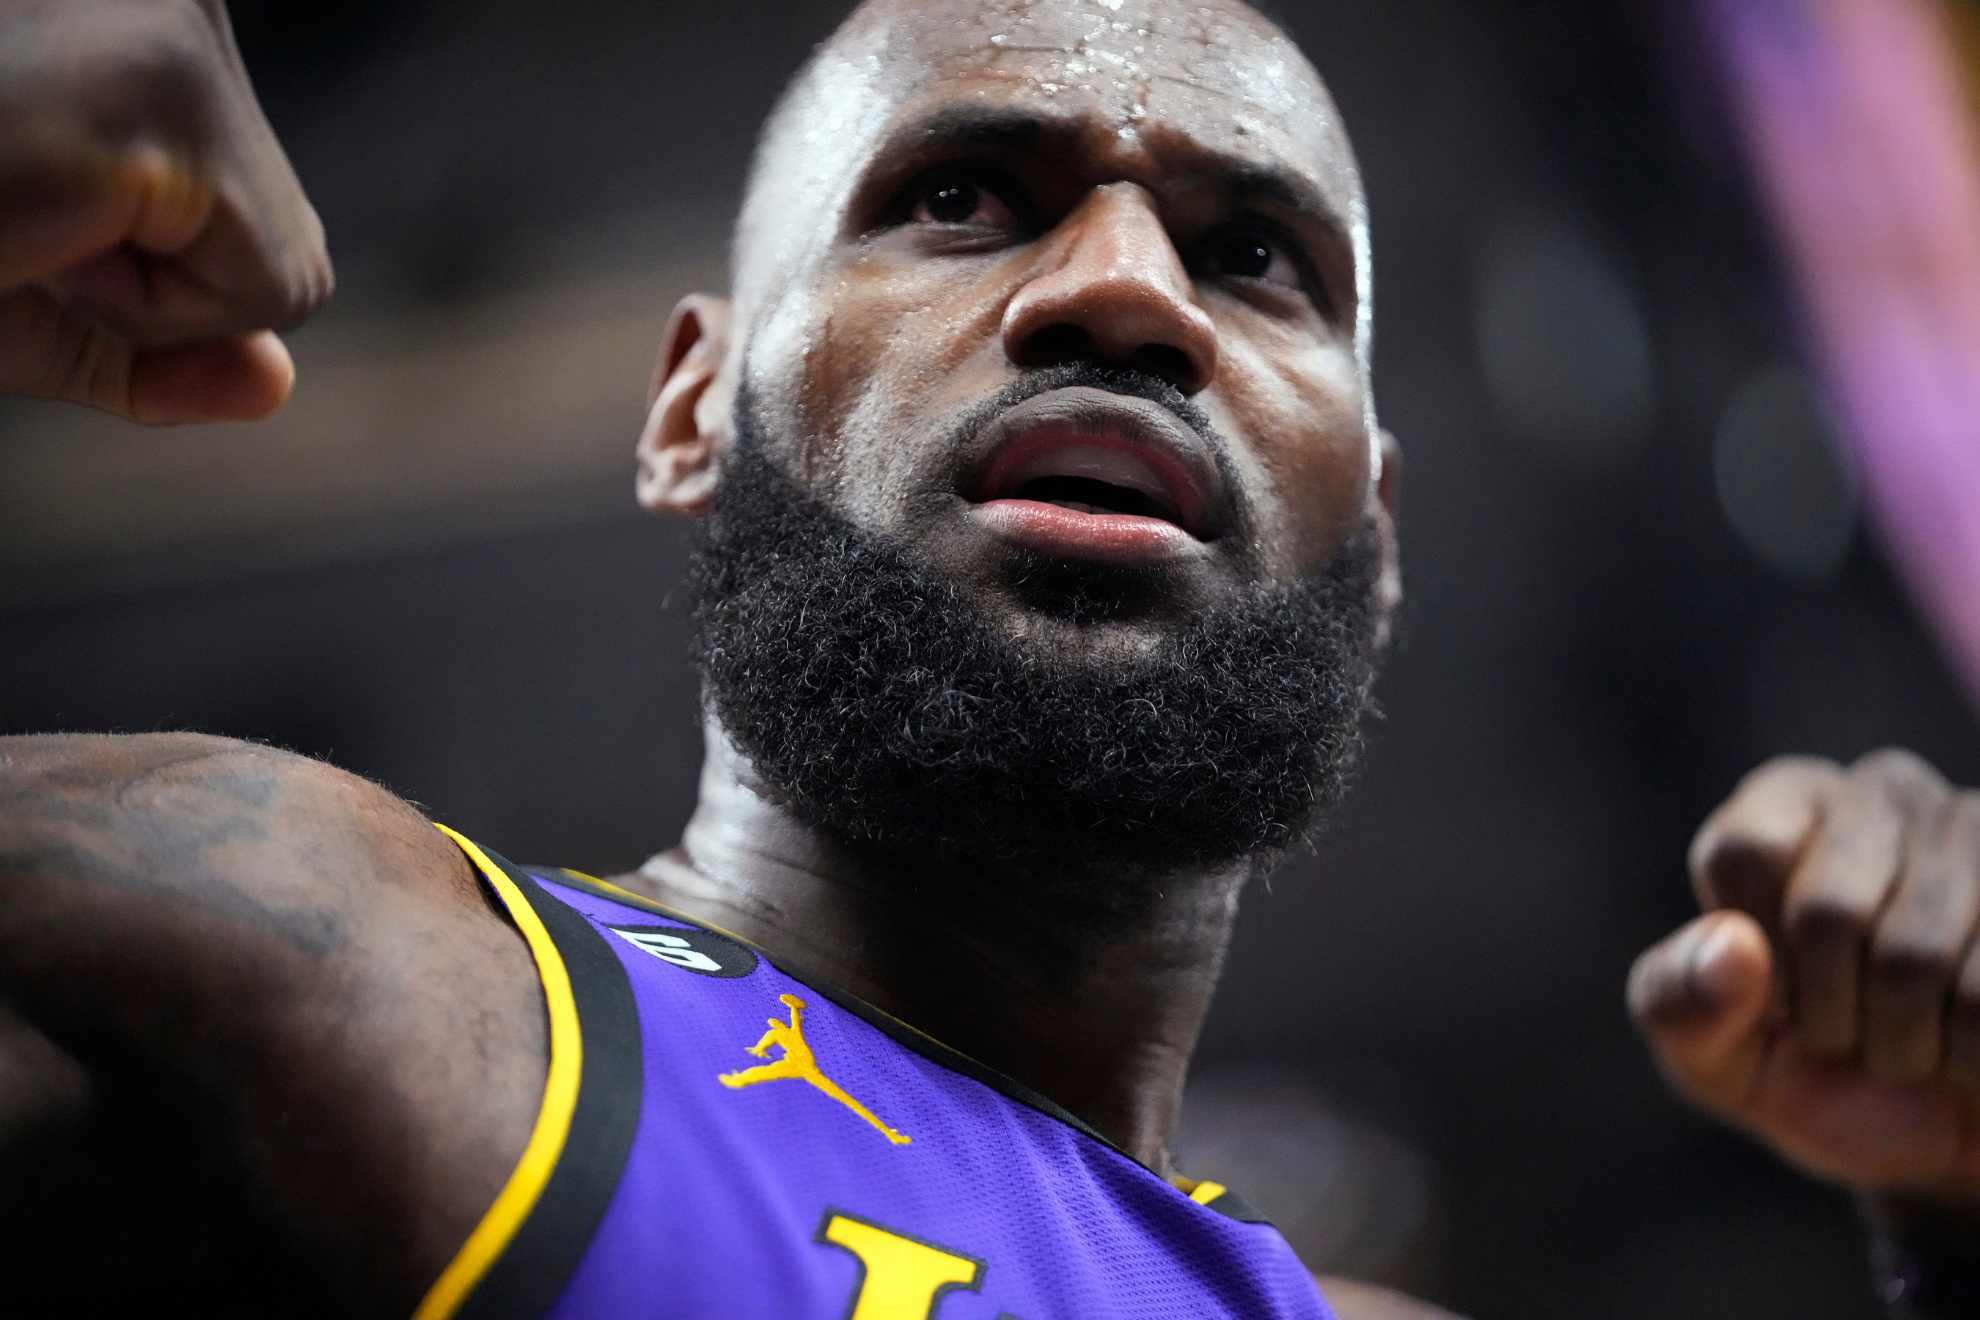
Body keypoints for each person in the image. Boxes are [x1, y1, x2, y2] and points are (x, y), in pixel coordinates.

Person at [2, 1, 1977, 1316]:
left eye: (1254, 256)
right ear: (698, 409)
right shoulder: (288, 942)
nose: (1122, 289)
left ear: (1369, 531)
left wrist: (1954, 1193)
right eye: (960, 202)